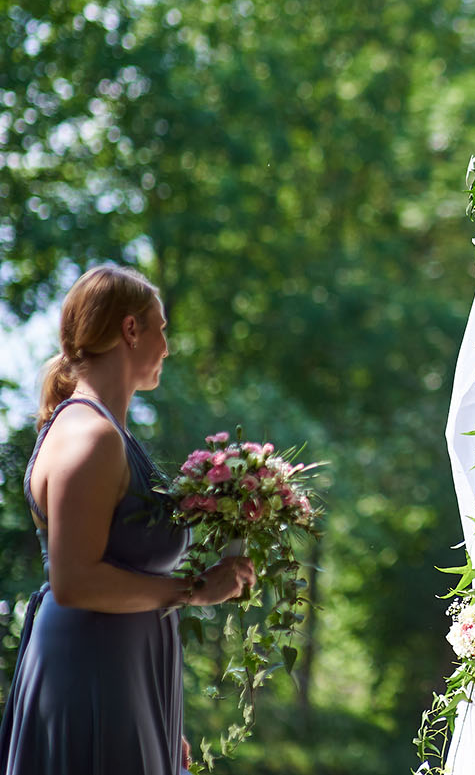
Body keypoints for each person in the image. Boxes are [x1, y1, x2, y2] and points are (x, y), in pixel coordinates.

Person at [1, 264, 256, 775]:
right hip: (90, 676)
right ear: (130, 329)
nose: (167, 345)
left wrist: (154, 718)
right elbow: (73, 582)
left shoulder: (108, 432)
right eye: (161, 327)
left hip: (123, 679)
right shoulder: (89, 436)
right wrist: (194, 589)